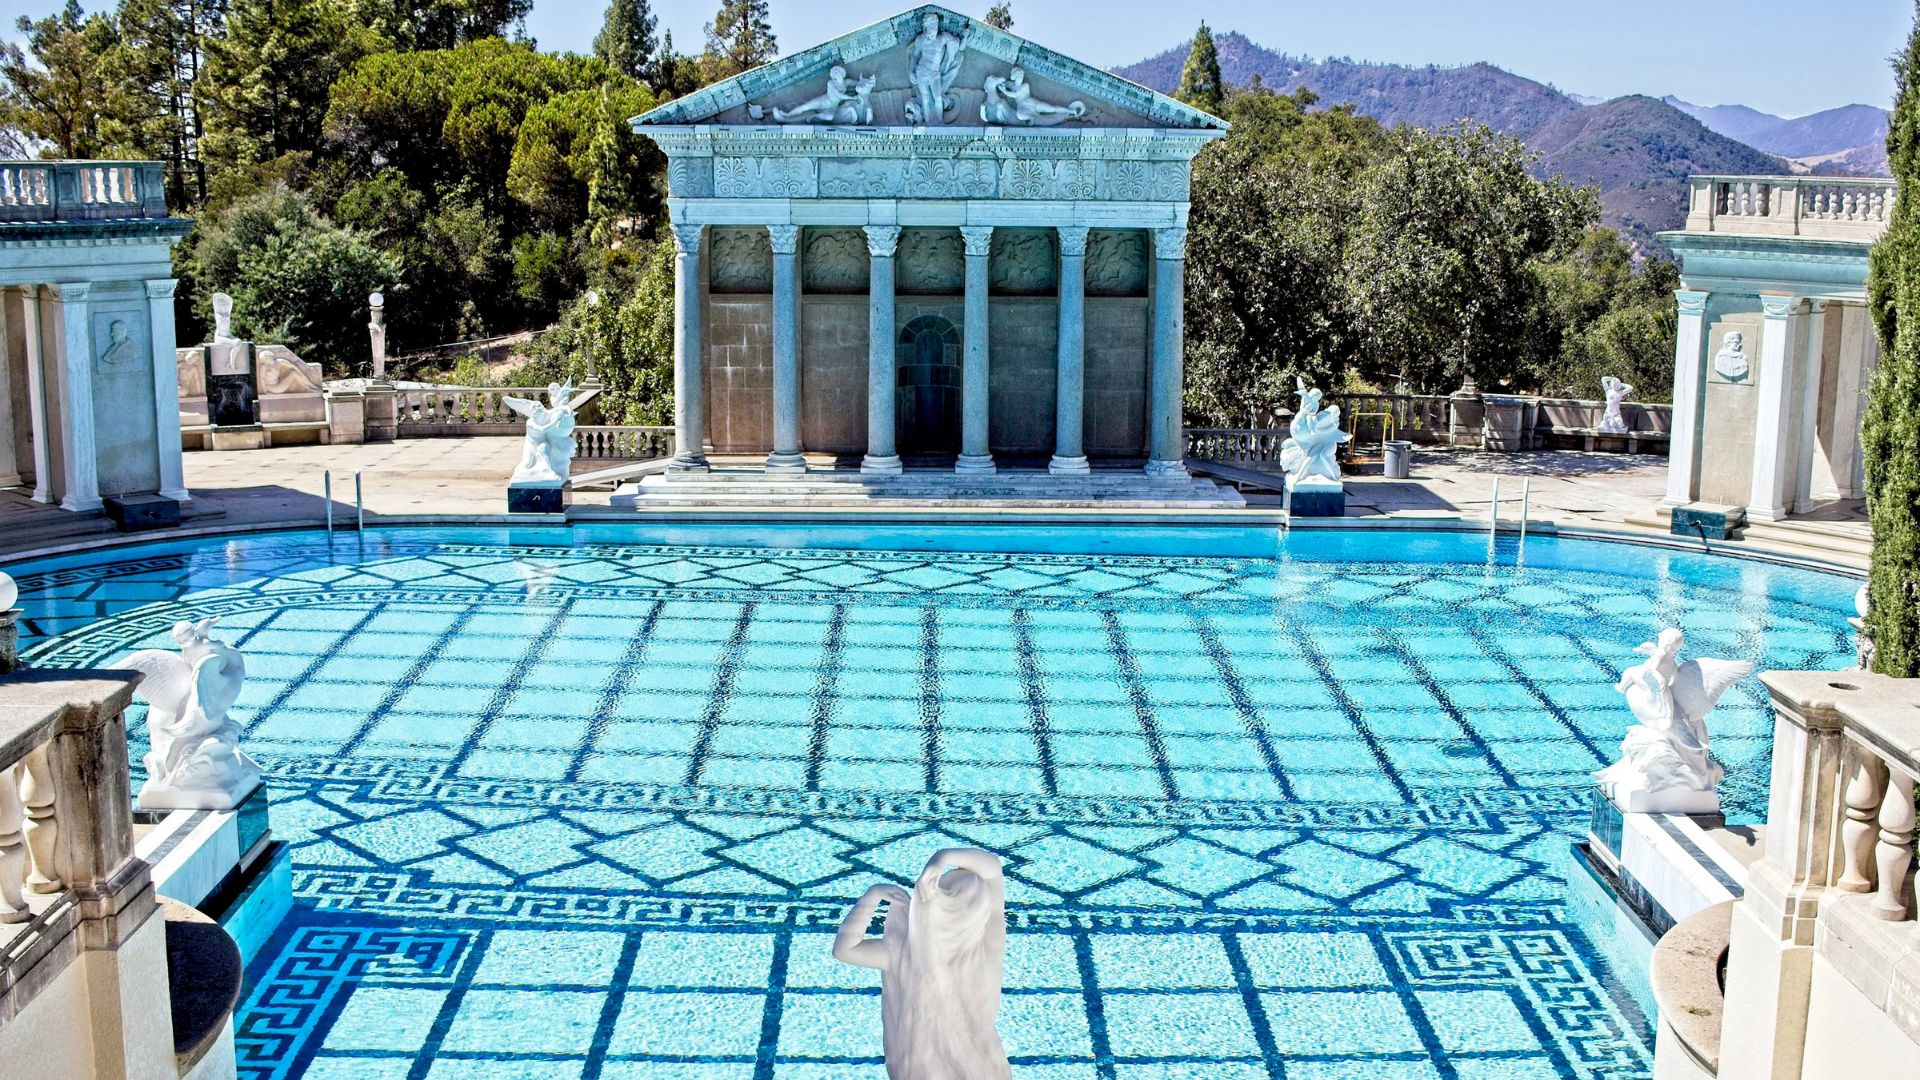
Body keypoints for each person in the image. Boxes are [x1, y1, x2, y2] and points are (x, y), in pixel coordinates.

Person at [834, 847, 1011, 1080]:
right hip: (985, 1070)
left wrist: (872, 896)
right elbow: (992, 869)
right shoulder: (988, 946)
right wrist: (942, 858)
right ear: (981, 911)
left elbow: (844, 950)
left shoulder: (901, 954)